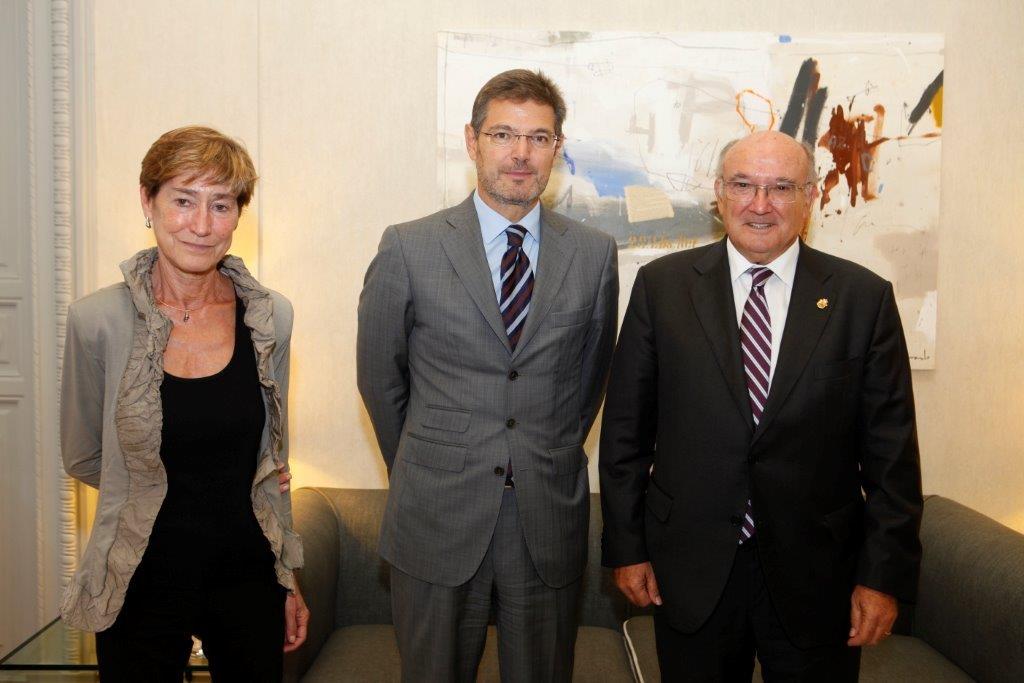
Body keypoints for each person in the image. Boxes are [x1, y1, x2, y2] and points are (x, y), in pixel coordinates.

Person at [599, 129, 923, 681]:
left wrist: (882, 577)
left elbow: (893, 459)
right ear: (719, 193)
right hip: (692, 569)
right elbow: (625, 437)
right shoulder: (661, 288)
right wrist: (627, 549)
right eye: (744, 185)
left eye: (781, 188)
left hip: (818, 577)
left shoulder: (862, 299)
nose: (760, 204)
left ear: (810, 197)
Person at [357, 69, 618, 682]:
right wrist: (428, 462)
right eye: (503, 134)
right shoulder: (409, 246)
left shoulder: (593, 254)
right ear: (472, 141)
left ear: (557, 148)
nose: (520, 153)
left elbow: (588, 383)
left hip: (545, 516)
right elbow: (380, 380)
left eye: (538, 138)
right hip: (436, 513)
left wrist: (539, 451)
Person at [60, 126, 309, 682]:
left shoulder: (271, 317)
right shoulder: (95, 321)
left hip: (248, 577)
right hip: (138, 577)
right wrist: (149, 489)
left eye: (220, 205)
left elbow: (274, 463)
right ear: (147, 202)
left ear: (238, 216)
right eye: (183, 200)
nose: (201, 225)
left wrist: (288, 578)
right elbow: (82, 455)